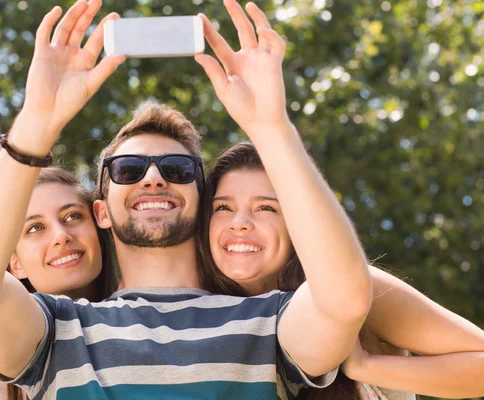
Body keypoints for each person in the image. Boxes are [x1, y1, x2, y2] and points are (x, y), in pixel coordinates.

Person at [0, 0, 372, 398]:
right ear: (101, 211)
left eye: (177, 170)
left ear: (201, 200)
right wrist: (37, 118)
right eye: (128, 170)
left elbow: (346, 299)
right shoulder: (57, 329)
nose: (152, 178)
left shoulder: (271, 322)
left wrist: (273, 129)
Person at [198, 141, 484, 399]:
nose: (239, 223)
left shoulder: (357, 292)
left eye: (266, 208)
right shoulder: (195, 314)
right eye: (223, 207)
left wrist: (366, 366)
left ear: (298, 224)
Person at [0, 167, 118, 400]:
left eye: (73, 216)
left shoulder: (151, 329)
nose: (61, 235)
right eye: (35, 228)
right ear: (15, 263)